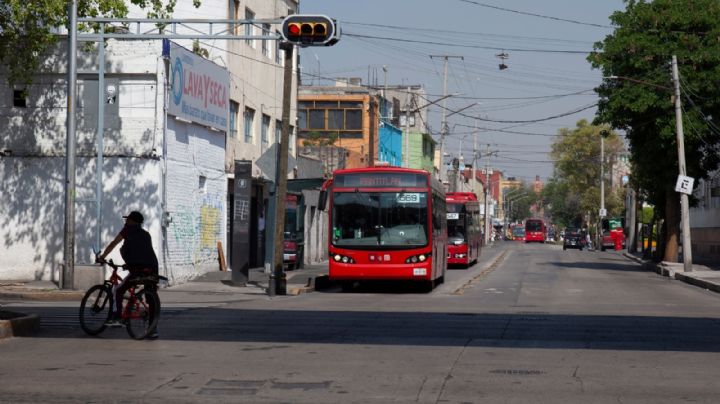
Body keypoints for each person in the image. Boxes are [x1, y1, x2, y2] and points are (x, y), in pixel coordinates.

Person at [97, 211, 159, 338]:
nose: (125, 222)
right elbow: (143, 253)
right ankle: (153, 329)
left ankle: (117, 317)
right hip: (152, 269)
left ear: (132, 221)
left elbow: (114, 243)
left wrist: (102, 256)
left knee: (118, 290)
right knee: (152, 298)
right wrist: (129, 265)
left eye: (128, 220)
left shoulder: (127, 230)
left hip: (138, 270)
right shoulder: (146, 234)